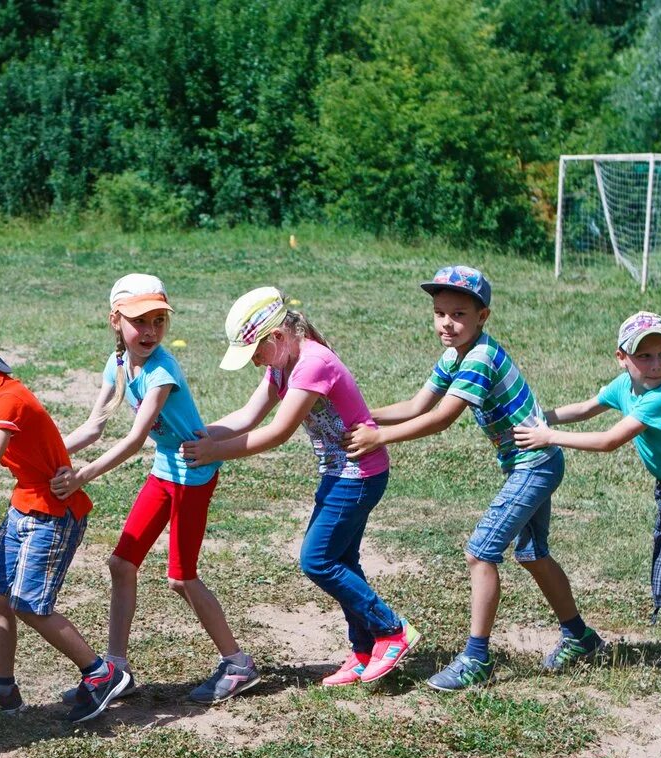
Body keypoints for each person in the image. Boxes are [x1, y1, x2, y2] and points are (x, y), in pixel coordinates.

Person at [344, 265, 604, 691]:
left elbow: (441, 418)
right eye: (439, 312)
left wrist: (379, 437)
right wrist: (361, 415)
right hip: (533, 461)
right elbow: (416, 405)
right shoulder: (455, 354)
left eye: (459, 313)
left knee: (480, 553)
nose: (447, 322)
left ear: (482, 317)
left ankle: (475, 659)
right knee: (533, 554)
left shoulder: (480, 358)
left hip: (534, 463)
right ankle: (580, 636)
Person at [182, 287, 421, 688]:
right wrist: (195, 434)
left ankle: (392, 631)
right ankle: (363, 651)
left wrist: (213, 452)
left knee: (317, 561)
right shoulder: (281, 363)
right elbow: (247, 415)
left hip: (359, 475)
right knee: (342, 562)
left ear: (276, 337)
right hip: (338, 473)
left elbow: (276, 432)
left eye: (255, 351)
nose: (254, 361)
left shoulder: (312, 363)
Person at [0, 307, 130, 724]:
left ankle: (101, 675)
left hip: (54, 511)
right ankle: (3, 689)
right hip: (24, 506)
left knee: (30, 604)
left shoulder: (8, 397)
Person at [51, 274, 260, 705]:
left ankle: (238, 664)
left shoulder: (162, 371)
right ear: (115, 321)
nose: (149, 331)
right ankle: (117, 670)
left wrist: (81, 476)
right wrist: (45, 454)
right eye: (139, 321)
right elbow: (94, 426)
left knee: (181, 578)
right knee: (121, 564)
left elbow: (132, 440)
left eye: (158, 321)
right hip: (167, 469)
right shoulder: (118, 364)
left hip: (192, 476)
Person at [513, 312, 661, 691]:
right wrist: (535, 418)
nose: (656, 364)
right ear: (622, 358)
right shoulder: (625, 386)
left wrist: (550, 437)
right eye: (645, 356)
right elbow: (584, 408)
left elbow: (609, 441)